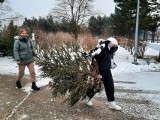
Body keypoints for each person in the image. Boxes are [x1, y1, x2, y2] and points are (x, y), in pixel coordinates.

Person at [85, 37, 122, 111]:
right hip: (99, 71)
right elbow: (94, 57)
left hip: (107, 71)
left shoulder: (110, 51)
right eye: (113, 45)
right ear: (110, 43)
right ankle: (88, 98)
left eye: (115, 46)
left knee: (110, 86)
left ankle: (111, 103)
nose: (114, 47)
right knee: (96, 86)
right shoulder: (101, 49)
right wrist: (95, 71)